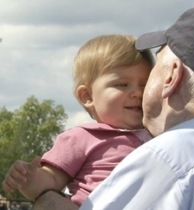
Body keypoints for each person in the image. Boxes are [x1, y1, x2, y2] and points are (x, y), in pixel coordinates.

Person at [32, 4, 194, 210]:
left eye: (155, 65)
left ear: (172, 76)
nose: (138, 91)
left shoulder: (167, 160)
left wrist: (48, 202)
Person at [2, 34, 153, 207]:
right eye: (122, 85)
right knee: (51, 203)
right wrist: (28, 179)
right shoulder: (81, 138)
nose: (138, 93)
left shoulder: (160, 132)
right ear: (87, 96)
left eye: (145, 84)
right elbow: (51, 179)